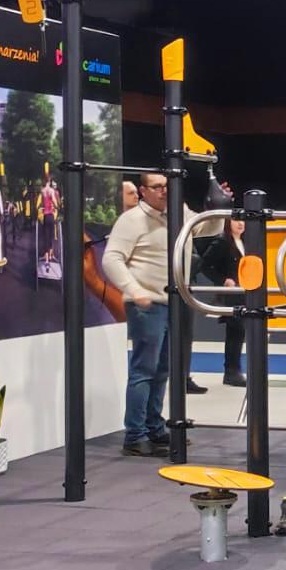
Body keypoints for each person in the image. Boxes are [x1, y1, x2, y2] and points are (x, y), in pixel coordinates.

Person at [102, 172, 174, 456]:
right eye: (157, 187)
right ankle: (135, 435)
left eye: (166, 185)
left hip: (169, 302)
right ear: (143, 191)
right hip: (146, 305)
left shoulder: (172, 215)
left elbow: (206, 228)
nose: (164, 191)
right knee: (144, 370)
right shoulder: (131, 220)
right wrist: (134, 290)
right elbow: (111, 259)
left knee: (162, 369)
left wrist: (219, 204)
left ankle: (154, 427)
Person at [190, 183, 245, 388]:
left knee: (240, 332)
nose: (240, 224)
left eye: (242, 220)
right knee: (235, 331)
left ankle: (235, 369)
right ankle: (231, 371)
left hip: (246, 292)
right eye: (236, 220)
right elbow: (205, 265)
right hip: (231, 295)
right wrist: (223, 281)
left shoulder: (247, 242)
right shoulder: (222, 241)